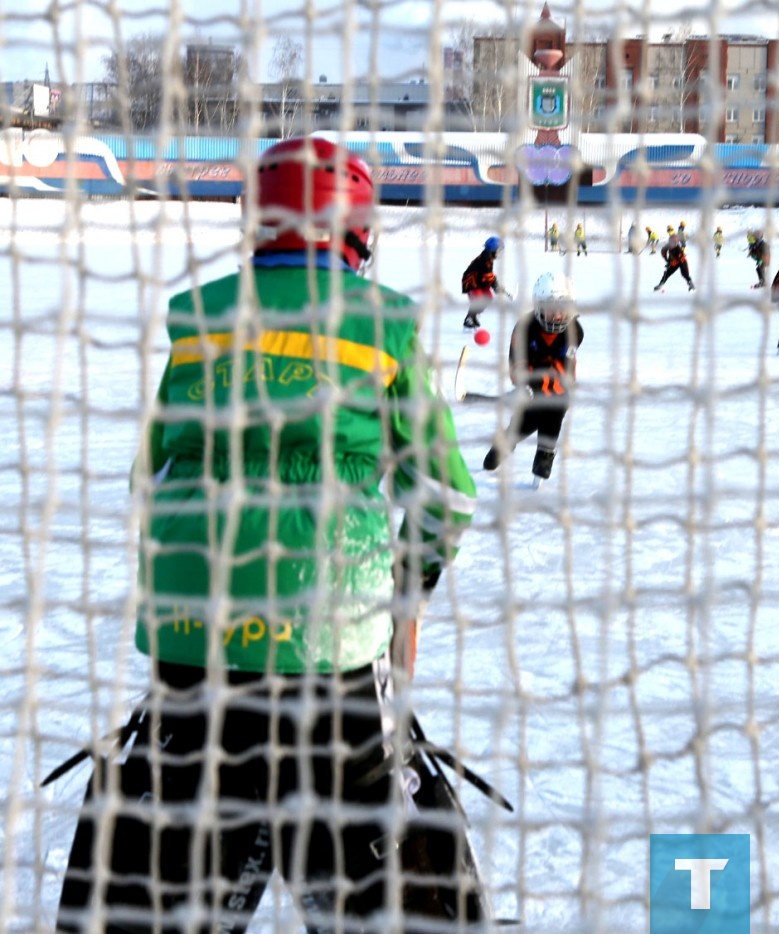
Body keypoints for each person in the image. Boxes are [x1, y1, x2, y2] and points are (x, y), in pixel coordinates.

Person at [53, 137, 482, 933]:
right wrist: (403, 595)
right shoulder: (384, 323)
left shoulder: (201, 320)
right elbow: (445, 497)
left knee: (170, 851)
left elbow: (149, 478)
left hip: (194, 642)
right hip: (330, 637)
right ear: (354, 228)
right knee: (381, 852)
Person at [483, 272, 584, 484]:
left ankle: (544, 456)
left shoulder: (574, 330)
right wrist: (522, 384)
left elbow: (561, 369)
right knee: (525, 423)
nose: (556, 315)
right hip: (531, 380)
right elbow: (516, 362)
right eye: (550, 309)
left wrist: (536, 387)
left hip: (559, 386)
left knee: (553, 414)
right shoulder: (524, 327)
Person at [462, 234, 506, 329]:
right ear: (493, 251)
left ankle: (473, 316)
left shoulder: (488, 259)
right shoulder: (484, 260)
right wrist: (496, 286)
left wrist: (496, 285)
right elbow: (488, 276)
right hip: (471, 283)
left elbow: (489, 276)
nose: (500, 253)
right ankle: (469, 319)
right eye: (499, 251)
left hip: (480, 282)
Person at [653, 228, 695, 292]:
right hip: (674, 262)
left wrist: (670, 263)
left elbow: (679, 260)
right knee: (666, 274)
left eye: (674, 242)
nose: (673, 243)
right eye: (671, 242)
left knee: (685, 274)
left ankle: (691, 285)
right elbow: (663, 251)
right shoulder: (668, 245)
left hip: (682, 262)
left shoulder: (678, 250)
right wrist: (666, 259)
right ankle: (661, 284)